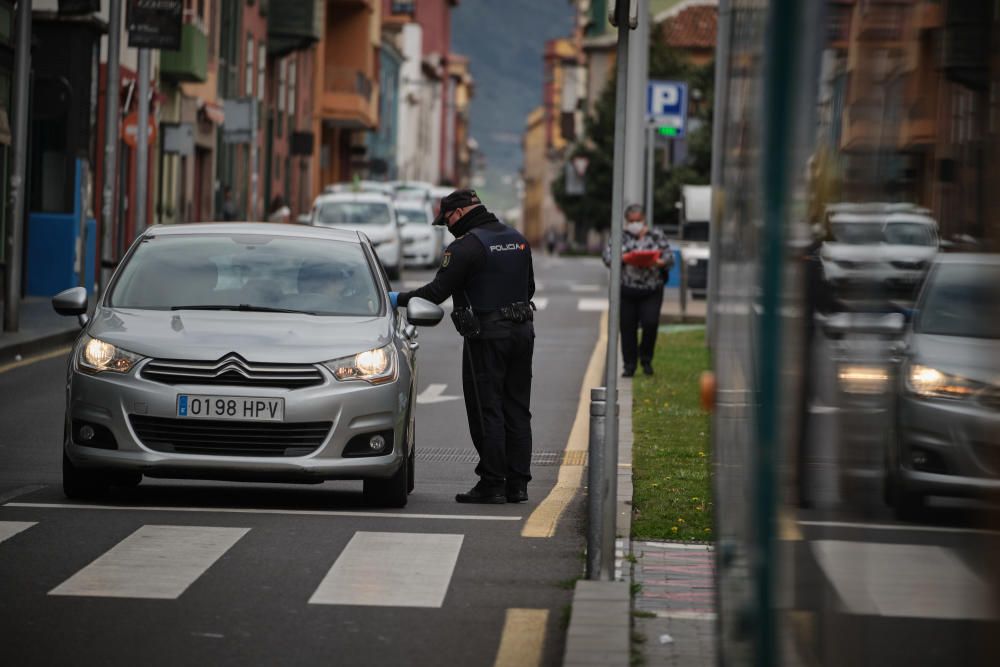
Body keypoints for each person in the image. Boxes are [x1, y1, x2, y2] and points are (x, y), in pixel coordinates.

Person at [390, 190, 536, 504]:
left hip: (487, 336)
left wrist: (396, 299)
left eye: (447, 222)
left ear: (457, 213)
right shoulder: (518, 239)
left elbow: (435, 292)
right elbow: (529, 288)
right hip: (523, 332)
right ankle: (518, 483)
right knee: (517, 408)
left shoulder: (467, 246)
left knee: (488, 409)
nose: (448, 228)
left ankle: (492, 482)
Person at [603, 203, 673, 377]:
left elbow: (669, 257)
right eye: (632, 221)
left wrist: (659, 262)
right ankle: (629, 365)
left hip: (651, 288)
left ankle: (646, 358)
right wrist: (625, 258)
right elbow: (607, 257)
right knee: (627, 328)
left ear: (644, 220)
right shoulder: (620, 235)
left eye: (638, 220)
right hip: (627, 289)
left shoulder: (656, 235)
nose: (635, 223)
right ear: (627, 221)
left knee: (651, 323)